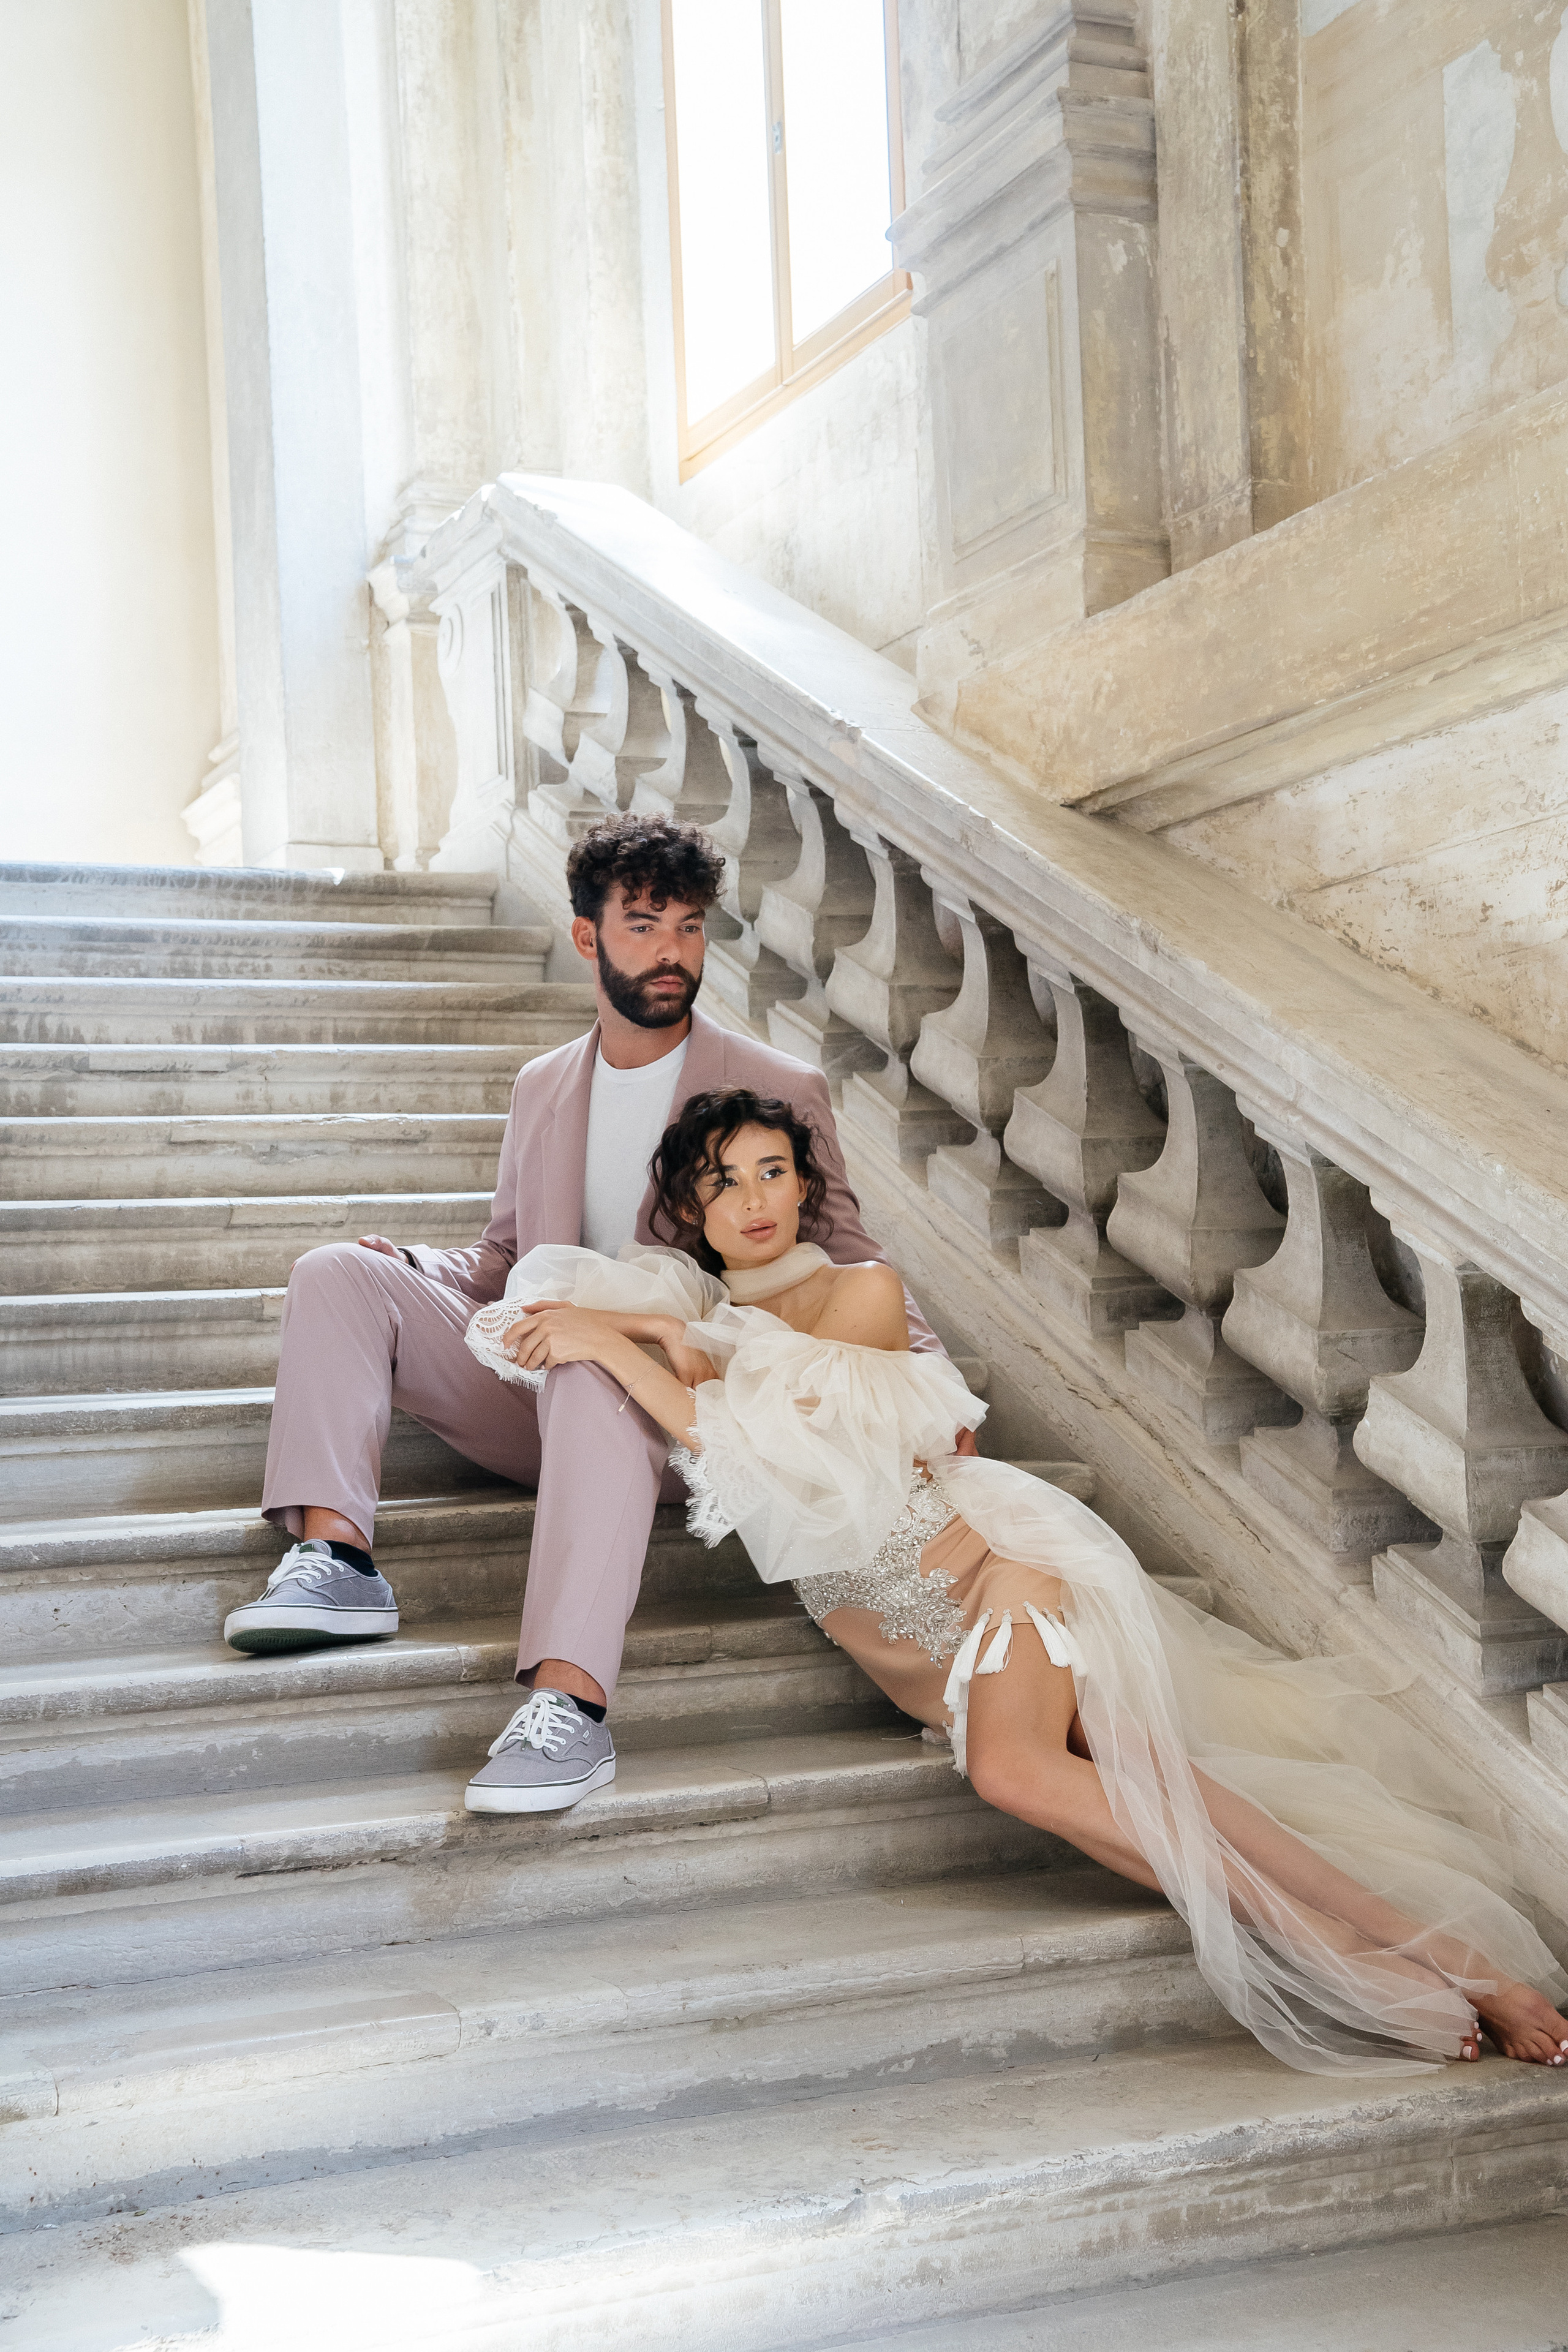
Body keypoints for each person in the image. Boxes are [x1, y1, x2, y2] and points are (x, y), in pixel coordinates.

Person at [486, 1084, 1568, 2078]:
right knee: (1169, 1797)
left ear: (809, 1187)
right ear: (689, 1208)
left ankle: (1345, 1957)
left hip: (999, 1566)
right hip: (912, 1640)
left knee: (1016, 1773)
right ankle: (1472, 1966)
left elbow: (752, 1442)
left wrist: (631, 1345)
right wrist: (642, 1328)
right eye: (720, 1182)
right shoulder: (704, 1324)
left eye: (773, 1170)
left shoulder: (862, 1292)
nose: (752, 1198)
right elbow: (597, 1339)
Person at [227, 813, 968, 1813]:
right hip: (540, 1381)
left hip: (678, 1407)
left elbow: (846, 1254)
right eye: (645, 926)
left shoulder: (777, 1085)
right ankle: (336, 1556)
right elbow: (504, 1260)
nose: (673, 952)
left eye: (691, 927)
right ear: (588, 938)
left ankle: (568, 1708)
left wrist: (934, 1397)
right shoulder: (541, 1087)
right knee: (334, 1273)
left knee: (594, 1363)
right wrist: (406, 1263)